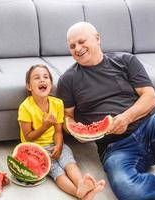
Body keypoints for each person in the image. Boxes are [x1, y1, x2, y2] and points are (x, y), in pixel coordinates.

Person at [57, 21, 155, 200]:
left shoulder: (125, 60)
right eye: (72, 46)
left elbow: (150, 98)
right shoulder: (68, 79)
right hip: (115, 149)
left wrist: (126, 117)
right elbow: (67, 117)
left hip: (150, 131)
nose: (77, 48)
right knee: (128, 189)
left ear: (97, 39)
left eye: (81, 41)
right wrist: (74, 130)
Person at [18, 64, 106, 200]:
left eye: (46, 77)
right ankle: (82, 196)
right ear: (29, 86)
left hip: (55, 143)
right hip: (35, 149)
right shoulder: (25, 107)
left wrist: (59, 145)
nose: (42, 80)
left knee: (69, 162)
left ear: (51, 84)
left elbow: (58, 131)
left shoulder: (57, 104)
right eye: (36, 78)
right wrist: (44, 126)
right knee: (56, 171)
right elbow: (28, 138)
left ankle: (81, 185)